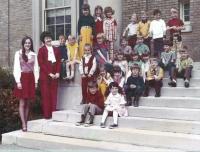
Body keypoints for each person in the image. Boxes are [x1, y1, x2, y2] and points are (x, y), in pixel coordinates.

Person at [13, 36, 39, 131]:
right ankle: (23, 124)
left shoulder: (34, 55)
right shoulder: (18, 54)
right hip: (22, 78)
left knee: (28, 102)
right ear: (23, 44)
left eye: (29, 43)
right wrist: (18, 81)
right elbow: (16, 68)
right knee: (22, 102)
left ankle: (26, 122)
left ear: (31, 44)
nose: (27, 44)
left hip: (31, 79)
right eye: (26, 43)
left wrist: (36, 81)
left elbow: (36, 69)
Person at [38, 31, 61, 119]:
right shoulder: (41, 50)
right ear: (43, 40)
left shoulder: (56, 49)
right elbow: (41, 63)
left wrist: (58, 72)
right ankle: (47, 115)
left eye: (49, 38)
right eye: (46, 38)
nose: (48, 39)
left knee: (54, 95)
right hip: (45, 76)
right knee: (46, 95)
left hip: (55, 75)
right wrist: (49, 73)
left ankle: (53, 114)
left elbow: (58, 62)